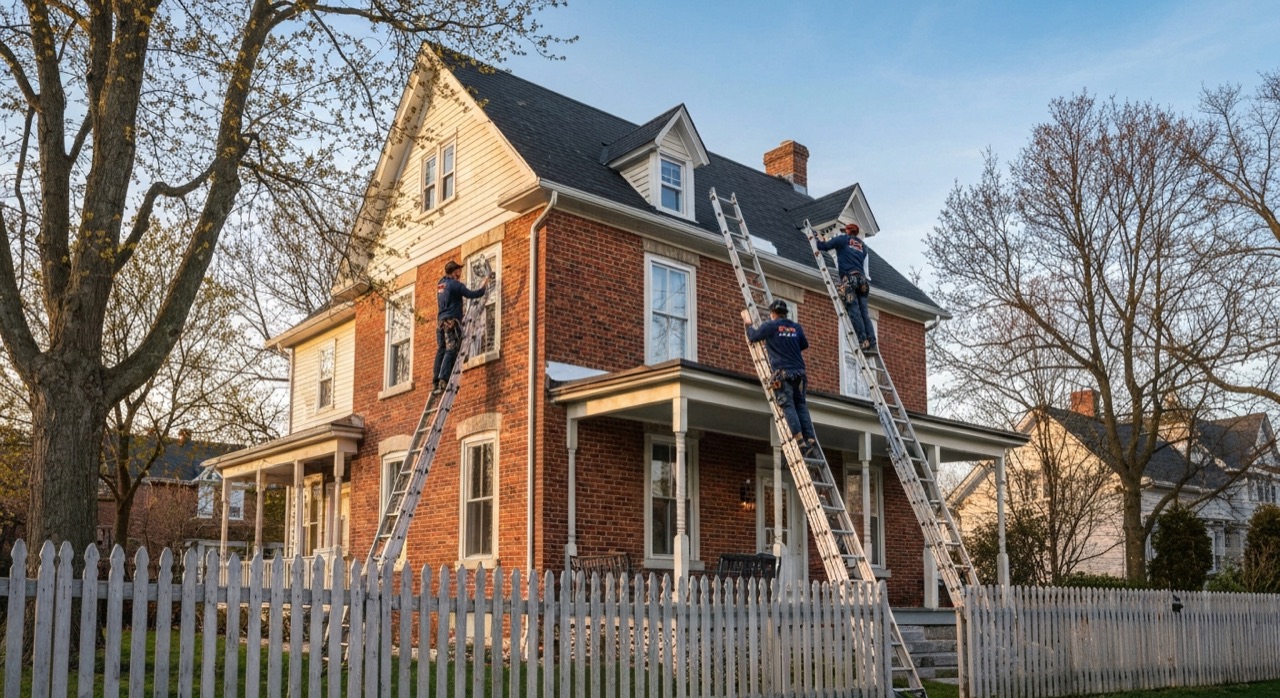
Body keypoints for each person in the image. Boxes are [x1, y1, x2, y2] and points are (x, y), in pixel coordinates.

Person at [744, 300, 819, 457]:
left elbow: (753, 337)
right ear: (786, 313)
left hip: (783, 374)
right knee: (801, 405)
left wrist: (748, 325)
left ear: (773, 314)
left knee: (788, 405)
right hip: (799, 374)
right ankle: (811, 439)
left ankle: (801, 442)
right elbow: (804, 344)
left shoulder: (771, 326)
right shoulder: (796, 327)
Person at [816, 221, 877, 352]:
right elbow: (866, 269)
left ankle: (863, 341)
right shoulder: (863, 246)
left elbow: (823, 246)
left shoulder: (843, 240)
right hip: (863, 282)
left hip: (850, 280)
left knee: (854, 311)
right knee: (864, 313)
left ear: (848, 231)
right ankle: (872, 341)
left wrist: (816, 238)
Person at [433, 260, 489, 393]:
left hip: (440, 322)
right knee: (451, 349)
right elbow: (472, 294)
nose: (461, 272)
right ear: (455, 272)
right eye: (459, 270)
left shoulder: (441, 284)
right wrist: (484, 287)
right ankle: (443, 379)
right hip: (451, 322)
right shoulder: (455, 285)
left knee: (441, 350)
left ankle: (435, 381)